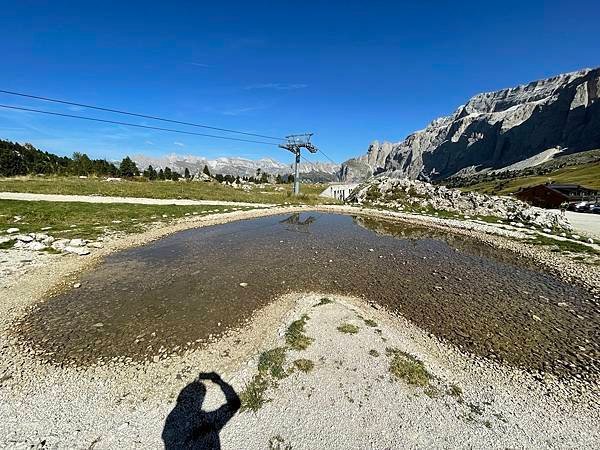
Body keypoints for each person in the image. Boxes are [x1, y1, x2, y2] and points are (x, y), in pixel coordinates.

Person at [162, 372, 241, 449]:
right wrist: (219, 381)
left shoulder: (172, 420)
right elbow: (234, 404)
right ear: (200, 401)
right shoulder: (206, 421)